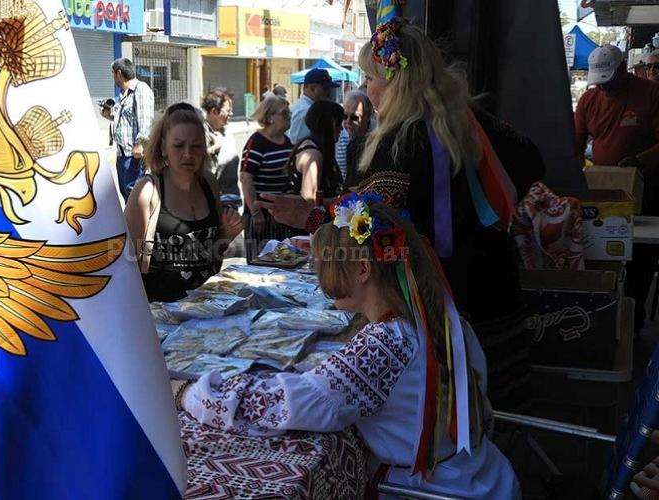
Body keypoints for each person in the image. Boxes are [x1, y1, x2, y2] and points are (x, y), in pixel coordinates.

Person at [258, 21, 542, 412]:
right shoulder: (470, 120)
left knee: (457, 418)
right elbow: (531, 160)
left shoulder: (396, 144)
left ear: (394, 82)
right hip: (497, 287)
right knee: (493, 417)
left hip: (445, 300)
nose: (367, 90)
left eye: (370, 78)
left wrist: (311, 218)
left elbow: (365, 229)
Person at [172, 197, 520, 499]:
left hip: (436, 490)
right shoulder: (437, 314)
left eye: (329, 265)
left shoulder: (385, 346)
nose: (322, 276)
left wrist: (189, 392)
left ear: (364, 269)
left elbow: (286, 404)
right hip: (484, 476)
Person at [575, 44, 659, 334]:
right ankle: (602, 315)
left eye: (609, 79)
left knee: (640, 256)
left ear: (623, 69)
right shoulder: (589, 100)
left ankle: (633, 321)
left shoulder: (650, 93)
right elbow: (574, 145)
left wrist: (640, 160)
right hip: (601, 194)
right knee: (601, 253)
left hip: (646, 190)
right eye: (600, 81)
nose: (605, 87)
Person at [125, 103, 243, 302]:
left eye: (196, 146)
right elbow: (126, 266)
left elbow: (211, 250)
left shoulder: (209, 183)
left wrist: (228, 233)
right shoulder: (147, 191)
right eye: (179, 146)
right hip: (161, 318)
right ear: (163, 147)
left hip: (207, 309)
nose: (188, 154)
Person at [240, 95, 296, 262]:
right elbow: (246, 178)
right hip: (261, 218)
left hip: (280, 215)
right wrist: (256, 212)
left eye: (289, 113)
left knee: (282, 261)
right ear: (270, 117)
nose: (289, 117)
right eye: (284, 114)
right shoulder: (257, 142)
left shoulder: (286, 141)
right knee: (261, 261)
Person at [102, 57, 155, 201]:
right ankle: (131, 223)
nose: (113, 77)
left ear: (119, 73)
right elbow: (124, 118)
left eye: (113, 73)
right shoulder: (124, 95)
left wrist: (140, 143)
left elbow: (146, 119)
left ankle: (140, 223)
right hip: (122, 152)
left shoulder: (141, 89)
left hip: (133, 154)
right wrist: (108, 114)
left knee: (135, 194)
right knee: (126, 193)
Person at [286, 100, 344, 204]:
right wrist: (342, 200)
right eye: (339, 123)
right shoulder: (312, 155)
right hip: (311, 219)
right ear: (332, 123)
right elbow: (309, 201)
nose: (341, 128)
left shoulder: (316, 147)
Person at [201, 88, 239, 197]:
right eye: (227, 110)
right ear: (214, 112)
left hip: (231, 198)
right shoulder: (199, 133)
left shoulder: (227, 132)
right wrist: (214, 148)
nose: (231, 114)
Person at [288, 68, 339, 143]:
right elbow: (296, 143)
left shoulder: (303, 106)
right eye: (325, 89)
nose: (329, 93)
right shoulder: (305, 111)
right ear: (312, 88)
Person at [337, 90, 374, 188]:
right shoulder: (339, 134)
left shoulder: (377, 135)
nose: (348, 122)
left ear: (368, 116)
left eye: (354, 117)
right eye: (344, 116)